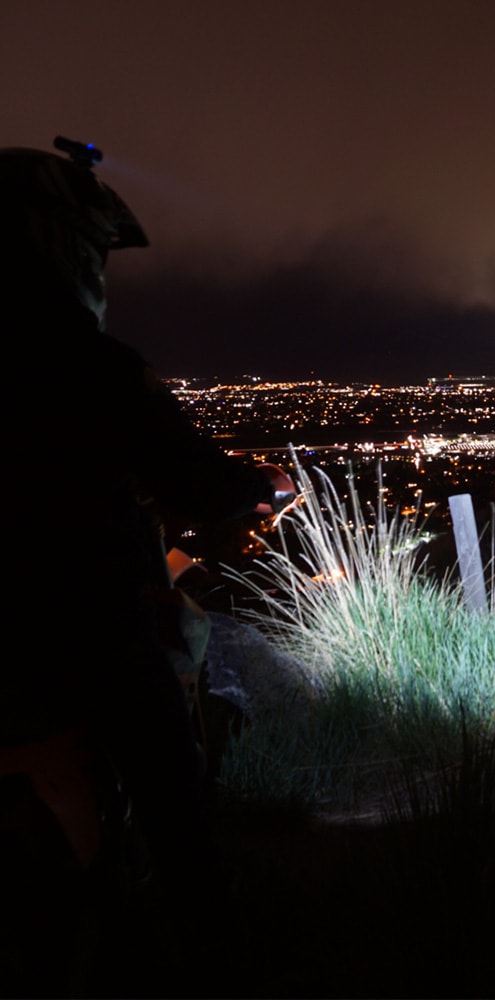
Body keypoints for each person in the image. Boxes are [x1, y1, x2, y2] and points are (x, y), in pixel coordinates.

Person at [0, 137, 292, 899]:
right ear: (57, 247)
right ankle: (198, 929)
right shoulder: (88, 368)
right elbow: (196, 477)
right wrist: (248, 489)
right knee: (167, 767)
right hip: (77, 622)